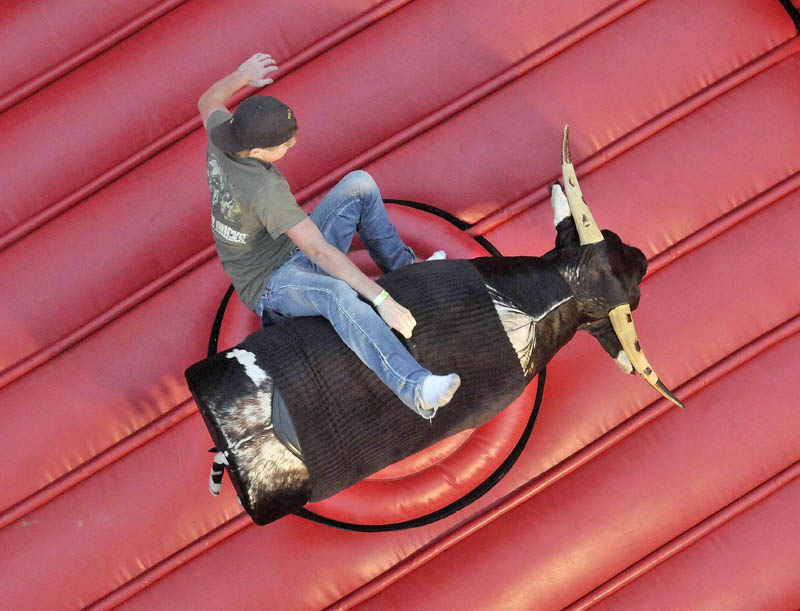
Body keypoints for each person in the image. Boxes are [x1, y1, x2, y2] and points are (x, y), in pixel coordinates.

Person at [198, 52, 460, 418]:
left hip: (286, 248)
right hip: (271, 283)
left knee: (360, 185)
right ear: (257, 151)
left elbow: (207, 99)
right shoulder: (263, 191)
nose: (291, 146)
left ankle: (410, 272)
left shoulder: (223, 133)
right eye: (284, 145)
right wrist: (381, 298)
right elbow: (319, 252)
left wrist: (243, 74)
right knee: (336, 292)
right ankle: (415, 387)